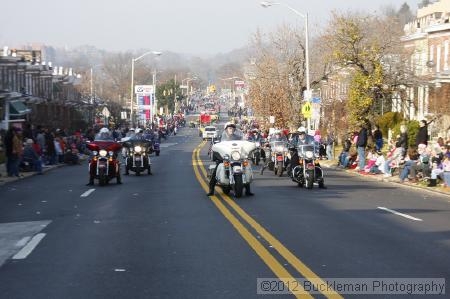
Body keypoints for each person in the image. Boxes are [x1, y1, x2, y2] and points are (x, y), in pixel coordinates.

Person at [207, 122, 253, 196]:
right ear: (226, 129)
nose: (231, 129)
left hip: (237, 157)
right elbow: (216, 145)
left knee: (245, 169)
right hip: (224, 157)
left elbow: (244, 143)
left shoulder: (238, 137)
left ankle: (248, 190)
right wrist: (215, 147)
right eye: (229, 128)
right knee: (215, 172)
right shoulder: (221, 138)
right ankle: (211, 190)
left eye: (232, 128)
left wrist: (248, 146)